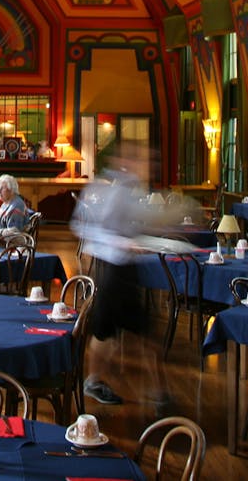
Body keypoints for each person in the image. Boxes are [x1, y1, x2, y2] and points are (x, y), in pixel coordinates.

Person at [71, 167, 167, 411]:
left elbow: (138, 221)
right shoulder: (106, 191)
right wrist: (123, 242)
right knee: (111, 332)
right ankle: (154, 390)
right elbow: (84, 225)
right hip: (112, 268)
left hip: (123, 267)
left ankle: (157, 391)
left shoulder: (126, 192)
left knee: (127, 332)